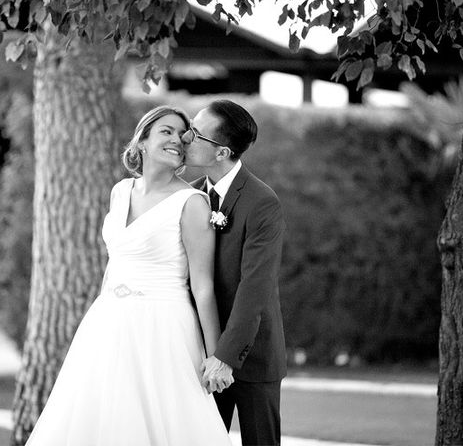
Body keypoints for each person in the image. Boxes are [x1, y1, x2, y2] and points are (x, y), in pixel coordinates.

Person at [24, 106, 233, 446]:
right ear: (143, 140)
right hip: (108, 322)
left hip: (163, 327)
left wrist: (215, 355)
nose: (177, 140)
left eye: (182, 135)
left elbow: (203, 286)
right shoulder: (121, 192)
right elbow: (115, 262)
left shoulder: (192, 203)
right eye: (166, 131)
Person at [182, 99, 286, 446]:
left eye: (196, 133)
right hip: (199, 352)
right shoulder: (188, 196)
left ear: (221, 152)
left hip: (252, 356)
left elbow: (254, 287)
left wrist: (224, 357)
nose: (186, 137)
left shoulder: (262, 202)